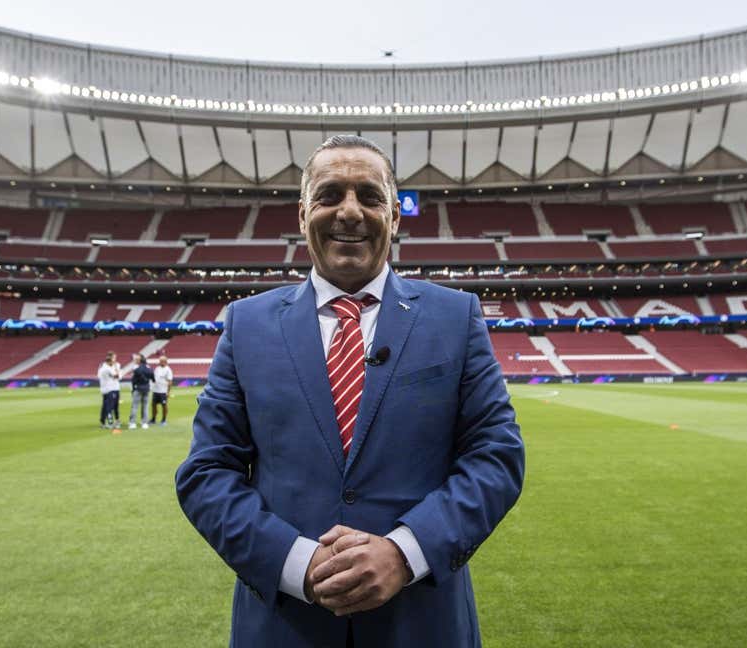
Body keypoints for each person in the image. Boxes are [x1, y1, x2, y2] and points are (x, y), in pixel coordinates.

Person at [175, 135, 524, 647]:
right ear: (302, 213)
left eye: (370, 195)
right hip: (285, 628)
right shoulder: (245, 325)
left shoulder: (455, 317)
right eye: (331, 193)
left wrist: (404, 554)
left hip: (421, 624)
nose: (350, 212)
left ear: (395, 216)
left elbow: (496, 456)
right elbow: (206, 473)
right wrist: (299, 563)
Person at [127, 353, 155, 429]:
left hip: (138, 388)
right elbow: (153, 379)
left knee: (135, 406)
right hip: (146, 389)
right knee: (145, 406)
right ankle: (144, 423)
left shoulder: (137, 369)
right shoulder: (149, 368)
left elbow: (133, 381)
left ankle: (132, 423)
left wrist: (133, 389)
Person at [97, 351, 120, 429]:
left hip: (103, 389)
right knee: (109, 407)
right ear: (109, 361)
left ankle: (102, 422)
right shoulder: (108, 369)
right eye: (112, 362)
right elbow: (116, 376)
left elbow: (99, 376)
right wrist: (116, 369)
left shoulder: (101, 368)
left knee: (104, 407)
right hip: (109, 389)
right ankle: (110, 423)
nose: (113, 363)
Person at [151, 353, 173, 426]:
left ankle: (164, 420)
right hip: (156, 390)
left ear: (165, 361)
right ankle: (153, 419)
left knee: (164, 405)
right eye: (160, 361)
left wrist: (168, 392)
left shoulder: (168, 370)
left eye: (161, 361)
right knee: (153, 405)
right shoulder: (157, 368)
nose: (160, 362)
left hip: (163, 391)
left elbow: (170, 382)